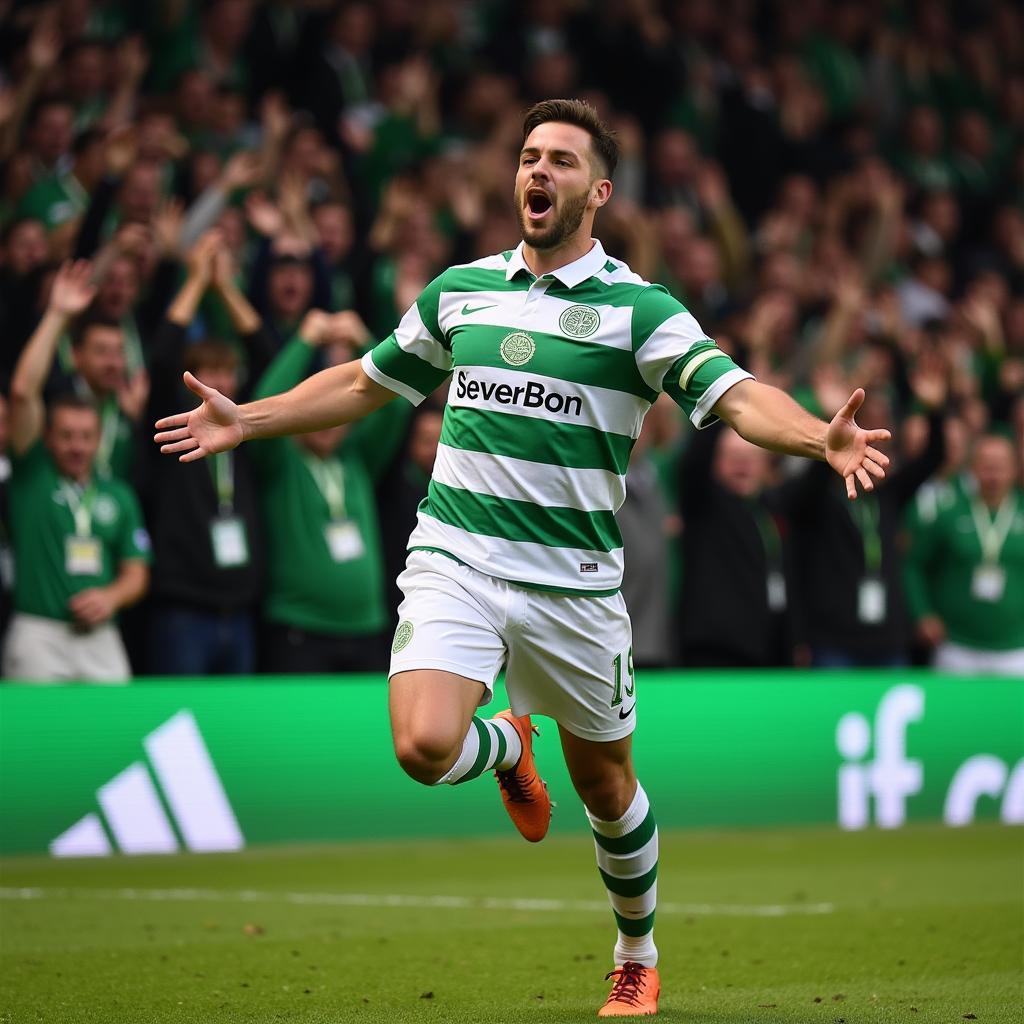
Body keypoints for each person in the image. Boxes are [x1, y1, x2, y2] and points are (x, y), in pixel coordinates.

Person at [155, 99, 891, 1017]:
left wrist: (817, 439)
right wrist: (248, 418)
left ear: (599, 191)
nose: (538, 173)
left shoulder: (639, 312)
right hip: (456, 557)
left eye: (562, 162)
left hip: (575, 587)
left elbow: (736, 396)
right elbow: (362, 381)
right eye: (529, 157)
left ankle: (636, 949)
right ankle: (507, 745)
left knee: (607, 786)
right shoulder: (461, 289)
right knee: (423, 746)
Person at [6, 262, 151, 682]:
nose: (77, 446)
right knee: (36, 745)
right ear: (48, 439)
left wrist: (112, 596)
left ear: (99, 437)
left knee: (115, 742)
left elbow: (136, 572)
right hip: (39, 634)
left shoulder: (116, 492)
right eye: (67, 436)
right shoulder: (32, 475)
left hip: (101, 635)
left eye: (86, 436)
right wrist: (57, 314)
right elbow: (22, 391)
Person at [904, 434, 1024, 675]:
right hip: (956, 645)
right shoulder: (948, 512)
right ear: (972, 468)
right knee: (953, 712)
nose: (993, 473)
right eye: (987, 465)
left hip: (1015, 647)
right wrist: (923, 613)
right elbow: (914, 565)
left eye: (1000, 465)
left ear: (1014, 469)